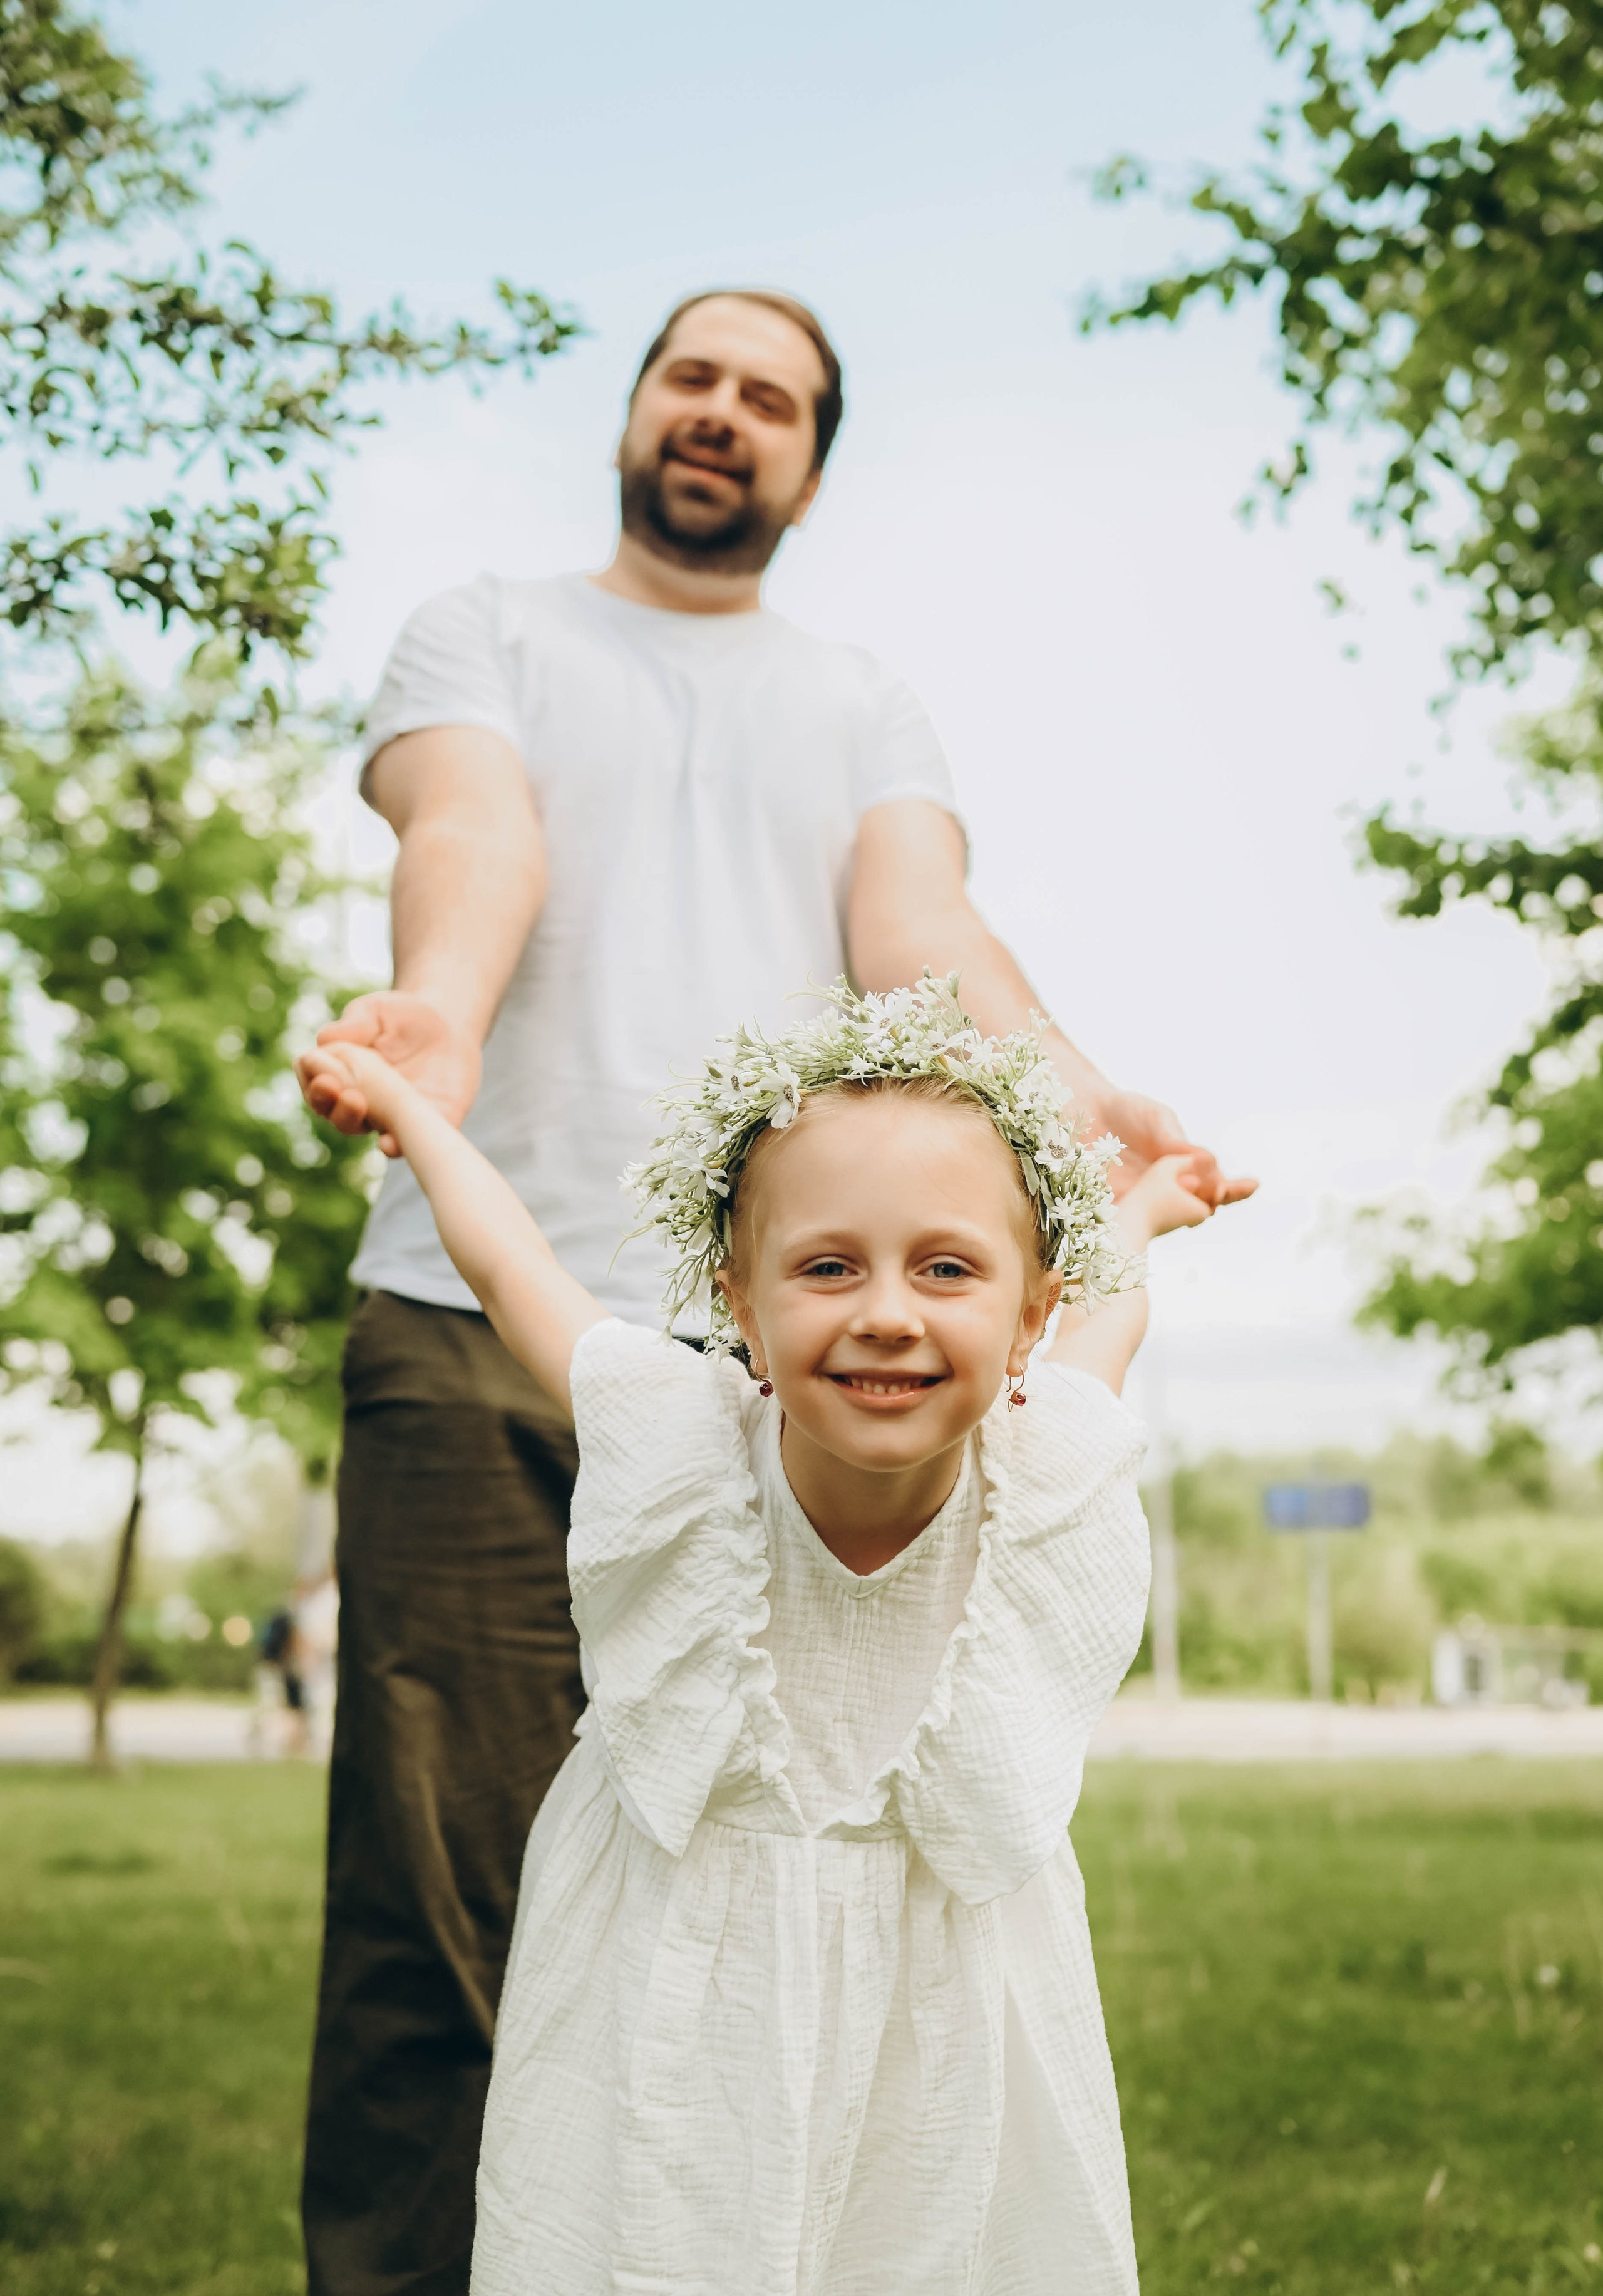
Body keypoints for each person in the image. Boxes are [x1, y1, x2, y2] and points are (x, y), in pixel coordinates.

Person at [296, 287, 1254, 2293]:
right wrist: (436, 1025)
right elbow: (476, 826)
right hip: (483, 1324)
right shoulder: (489, 629)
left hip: (805, 1382)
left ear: (813, 467)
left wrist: (1078, 1106)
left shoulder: (858, 701)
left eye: (772, 396)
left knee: (770, 1898)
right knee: (437, 1903)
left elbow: (921, 926)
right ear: (637, 412)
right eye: (693, 376)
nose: (723, 410)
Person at [308, 976, 1209, 2294]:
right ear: (741, 1305)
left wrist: (1145, 1206)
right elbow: (509, 1268)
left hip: (945, 1994)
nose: (887, 1311)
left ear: (1030, 1316)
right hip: (674, 1976)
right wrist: (412, 1111)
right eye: (828, 1266)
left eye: (947, 1268)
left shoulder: (1043, 1469)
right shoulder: (680, 1450)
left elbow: (1111, 1312)